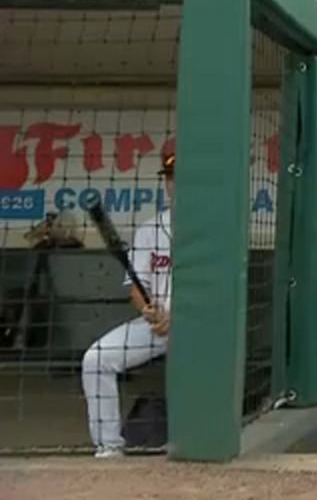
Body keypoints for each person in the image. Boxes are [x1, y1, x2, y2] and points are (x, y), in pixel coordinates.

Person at [82, 152, 176, 458]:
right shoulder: (151, 229)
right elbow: (137, 286)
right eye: (170, 177)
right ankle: (109, 447)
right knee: (96, 360)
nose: (175, 184)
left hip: (205, 327)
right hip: (158, 327)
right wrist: (148, 311)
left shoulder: (218, 230)